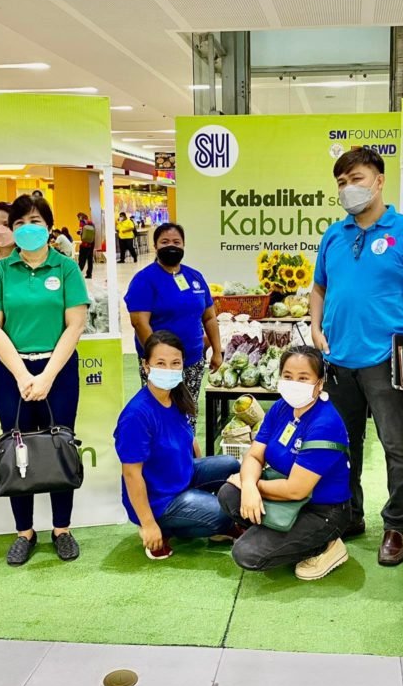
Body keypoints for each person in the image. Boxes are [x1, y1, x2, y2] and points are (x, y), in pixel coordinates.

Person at [310, 148, 403, 566]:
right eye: (342, 182)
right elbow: (319, 289)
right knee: (343, 443)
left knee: (397, 446)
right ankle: (349, 514)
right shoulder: (334, 234)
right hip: (338, 360)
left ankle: (396, 526)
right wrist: (315, 327)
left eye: (357, 178)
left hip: (387, 360)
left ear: (379, 180)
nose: (349, 188)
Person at [0, 194, 90, 566]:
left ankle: (62, 528)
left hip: (58, 371)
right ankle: (24, 531)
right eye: (20, 222)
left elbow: (75, 324)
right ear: (11, 229)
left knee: (61, 447)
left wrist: (47, 376)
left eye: (35, 221)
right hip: (12, 372)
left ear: (49, 226)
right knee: (17, 449)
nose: (28, 228)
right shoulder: (0, 270)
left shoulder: (65, 268)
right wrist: (24, 374)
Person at [218, 346, 353, 580]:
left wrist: (253, 485)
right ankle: (277, 532)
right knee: (229, 493)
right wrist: (248, 486)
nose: (294, 383)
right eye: (288, 376)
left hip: (322, 511)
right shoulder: (282, 407)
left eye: (303, 378)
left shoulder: (325, 423)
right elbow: (254, 455)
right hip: (285, 495)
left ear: (319, 383)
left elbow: (296, 489)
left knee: (246, 554)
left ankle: (327, 545)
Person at [115, 331, 241, 559]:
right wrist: (148, 523)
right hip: (160, 499)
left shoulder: (176, 397)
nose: (169, 369)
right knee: (223, 513)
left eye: (175, 363)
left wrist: (199, 476)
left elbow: (189, 439)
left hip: (181, 477)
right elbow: (131, 474)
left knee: (231, 465)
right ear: (146, 366)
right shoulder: (136, 415)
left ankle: (195, 513)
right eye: (160, 363)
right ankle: (165, 528)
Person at [125, 223, 222, 427]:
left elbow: (210, 317)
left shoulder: (194, 277)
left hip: (193, 362)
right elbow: (139, 322)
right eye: (165, 242)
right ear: (155, 246)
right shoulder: (144, 280)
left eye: (176, 242)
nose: (171, 246)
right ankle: (162, 458)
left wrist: (217, 350)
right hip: (161, 365)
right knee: (160, 417)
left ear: (184, 246)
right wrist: (157, 358)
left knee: (188, 415)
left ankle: (187, 456)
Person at [78, 214, 96, 278]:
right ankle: (89, 274)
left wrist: (78, 232)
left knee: (82, 259)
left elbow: (80, 232)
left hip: (85, 244)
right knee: (90, 259)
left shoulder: (82, 223)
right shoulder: (91, 223)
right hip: (91, 243)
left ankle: (78, 273)